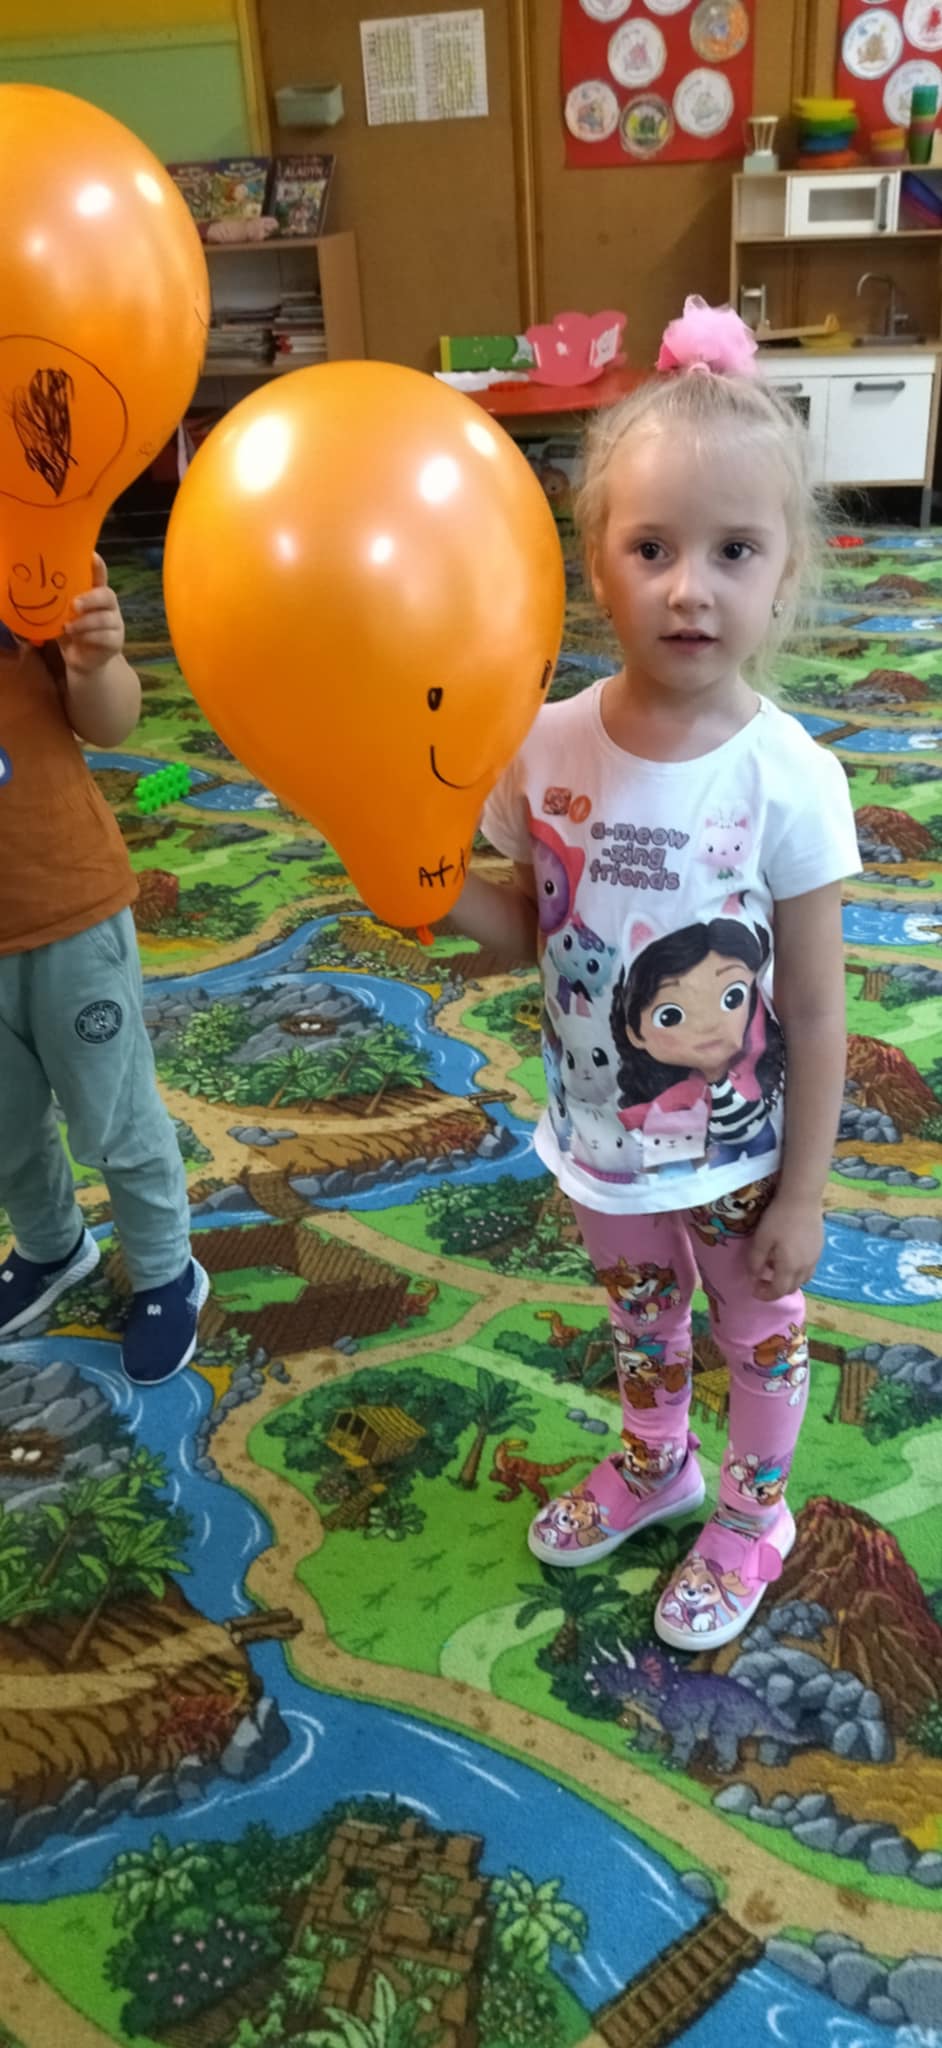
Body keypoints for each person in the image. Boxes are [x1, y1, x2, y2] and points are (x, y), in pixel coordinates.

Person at [443, 296, 860, 1651]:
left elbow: (815, 1008)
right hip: (599, 1139)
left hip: (738, 1153)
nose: (690, 587)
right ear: (595, 562)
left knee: (757, 1325)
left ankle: (751, 1513)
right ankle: (655, 1460)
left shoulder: (788, 777)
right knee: (642, 1320)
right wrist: (422, 883)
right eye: (652, 547)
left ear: (784, 572)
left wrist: (805, 1188)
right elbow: (534, 930)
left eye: (733, 550)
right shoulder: (544, 746)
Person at [0, 554, 208, 1384]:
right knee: (6, 1126)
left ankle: (164, 1270)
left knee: (114, 1116)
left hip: (69, 914)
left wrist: (95, 663)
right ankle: (52, 1247)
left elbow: (112, 722)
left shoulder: (26, 570)